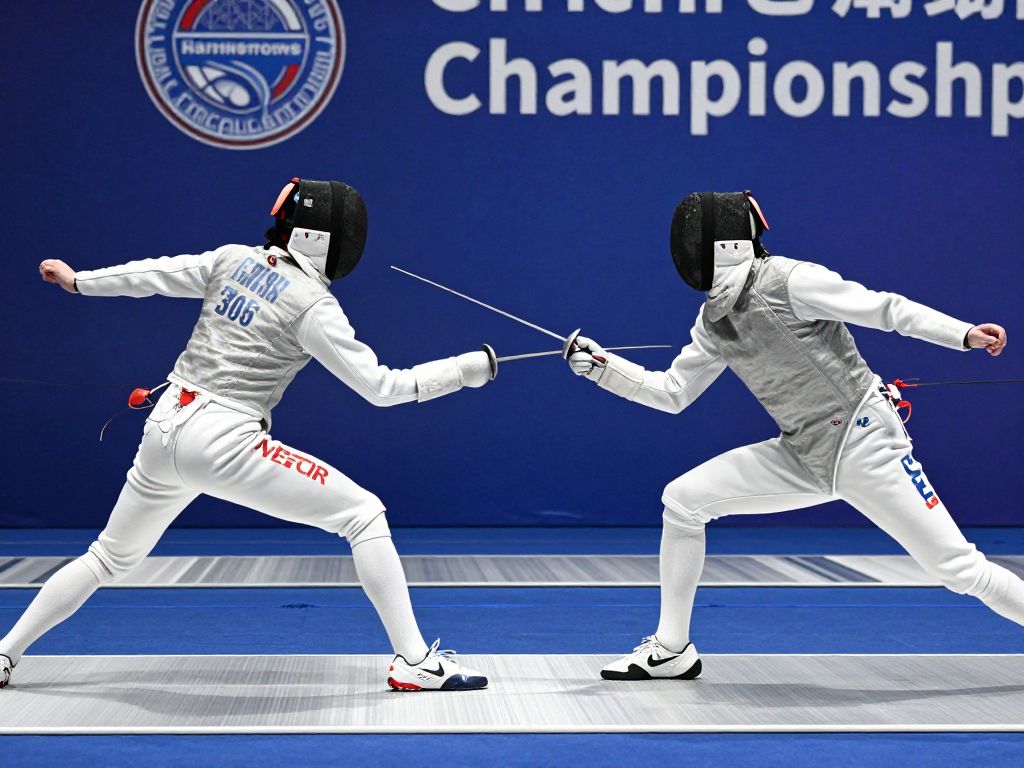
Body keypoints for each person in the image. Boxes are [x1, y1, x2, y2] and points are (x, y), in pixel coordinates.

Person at [0, 178, 496, 692]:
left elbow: (153, 275)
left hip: (164, 425)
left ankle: (4, 652)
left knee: (106, 557)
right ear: (325, 240)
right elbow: (382, 388)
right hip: (223, 439)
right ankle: (413, 661)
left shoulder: (231, 260)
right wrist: (466, 370)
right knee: (363, 513)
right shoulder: (312, 305)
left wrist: (80, 281)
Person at [567, 190, 1022, 681]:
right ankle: (673, 650)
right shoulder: (714, 320)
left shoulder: (790, 279)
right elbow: (673, 391)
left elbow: (884, 309)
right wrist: (602, 368)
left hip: (862, 442)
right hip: (803, 451)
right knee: (683, 501)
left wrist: (963, 333)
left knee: (959, 570)